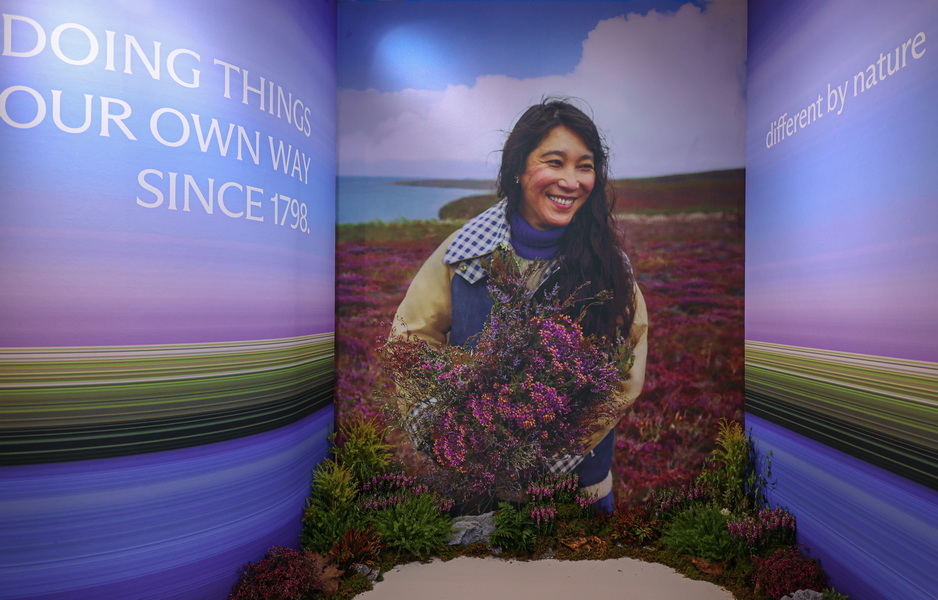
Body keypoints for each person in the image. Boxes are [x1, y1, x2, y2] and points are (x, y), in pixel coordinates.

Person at [390, 98, 648, 513]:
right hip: (478, 493)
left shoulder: (609, 265)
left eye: (584, 166)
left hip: (576, 495)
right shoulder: (463, 252)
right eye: (554, 162)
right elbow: (410, 337)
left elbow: (625, 367)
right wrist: (439, 428)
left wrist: (556, 450)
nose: (571, 181)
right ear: (517, 167)